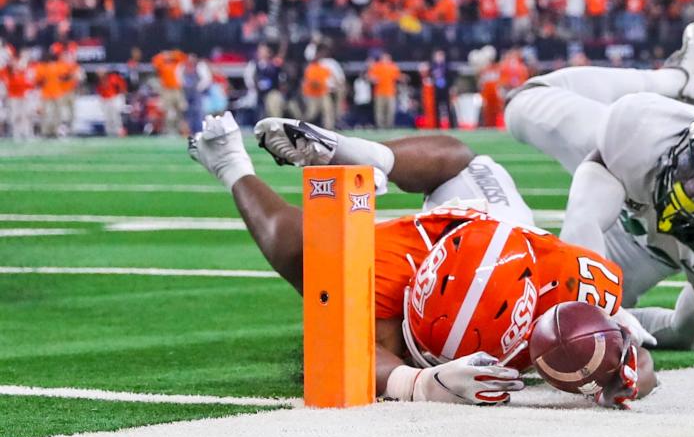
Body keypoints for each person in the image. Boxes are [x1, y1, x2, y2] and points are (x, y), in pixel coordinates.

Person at [190, 114, 657, 407]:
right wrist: (417, 381)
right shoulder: (390, 267)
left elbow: (639, 360)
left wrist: (624, 362)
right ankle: (236, 164)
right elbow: (332, 353)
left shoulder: (565, 280)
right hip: (448, 234)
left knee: (476, 163)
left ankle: (348, 152)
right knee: (306, 254)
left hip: (503, 230)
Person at [505, 23, 694, 350]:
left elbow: (681, 332)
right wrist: (597, 307)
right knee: (521, 103)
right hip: (628, 186)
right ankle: (681, 80)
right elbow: (584, 218)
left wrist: (618, 325)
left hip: (650, 251)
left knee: (551, 318)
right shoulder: (643, 128)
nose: (689, 193)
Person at [151, 49, 188, 135]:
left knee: (181, 110)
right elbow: (155, 61)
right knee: (168, 111)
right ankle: (169, 130)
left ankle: (180, 130)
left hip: (177, 90)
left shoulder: (176, 64)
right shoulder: (162, 65)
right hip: (166, 90)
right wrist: (163, 55)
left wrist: (171, 54)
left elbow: (183, 56)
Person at [244, 44, 285, 119]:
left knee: (275, 101)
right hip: (258, 94)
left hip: (272, 92)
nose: (261, 53)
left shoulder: (274, 65)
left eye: (264, 51)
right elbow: (249, 80)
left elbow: (280, 79)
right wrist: (255, 87)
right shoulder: (253, 65)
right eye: (260, 51)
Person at [367, 53, 403, 128]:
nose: (385, 60)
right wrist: (373, 79)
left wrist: (403, 78)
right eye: (383, 58)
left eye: (387, 58)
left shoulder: (393, 67)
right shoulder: (377, 66)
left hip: (390, 92)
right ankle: (380, 126)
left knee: (390, 110)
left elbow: (398, 76)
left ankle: (389, 126)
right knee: (379, 111)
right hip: (379, 92)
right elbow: (370, 76)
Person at [301, 58, 335, 128]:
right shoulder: (310, 68)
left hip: (323, 93)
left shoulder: (323, 68)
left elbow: (331, 79)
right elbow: (313, 84)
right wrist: (322, 84)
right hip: (312, 95)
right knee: (311, 114)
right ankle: (302, 126)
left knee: (328, 110)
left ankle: (329, 129)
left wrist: (332, 86)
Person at [95, 69, 128, 136]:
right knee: (107, 117)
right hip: (105, 99)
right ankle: (109, 132)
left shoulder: (113, 77)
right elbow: (99, 90)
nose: (99, 74)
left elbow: (121, 86)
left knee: (115, 115)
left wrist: (122, 95)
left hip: (114, 98)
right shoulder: (99, 80)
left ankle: (119, 131)